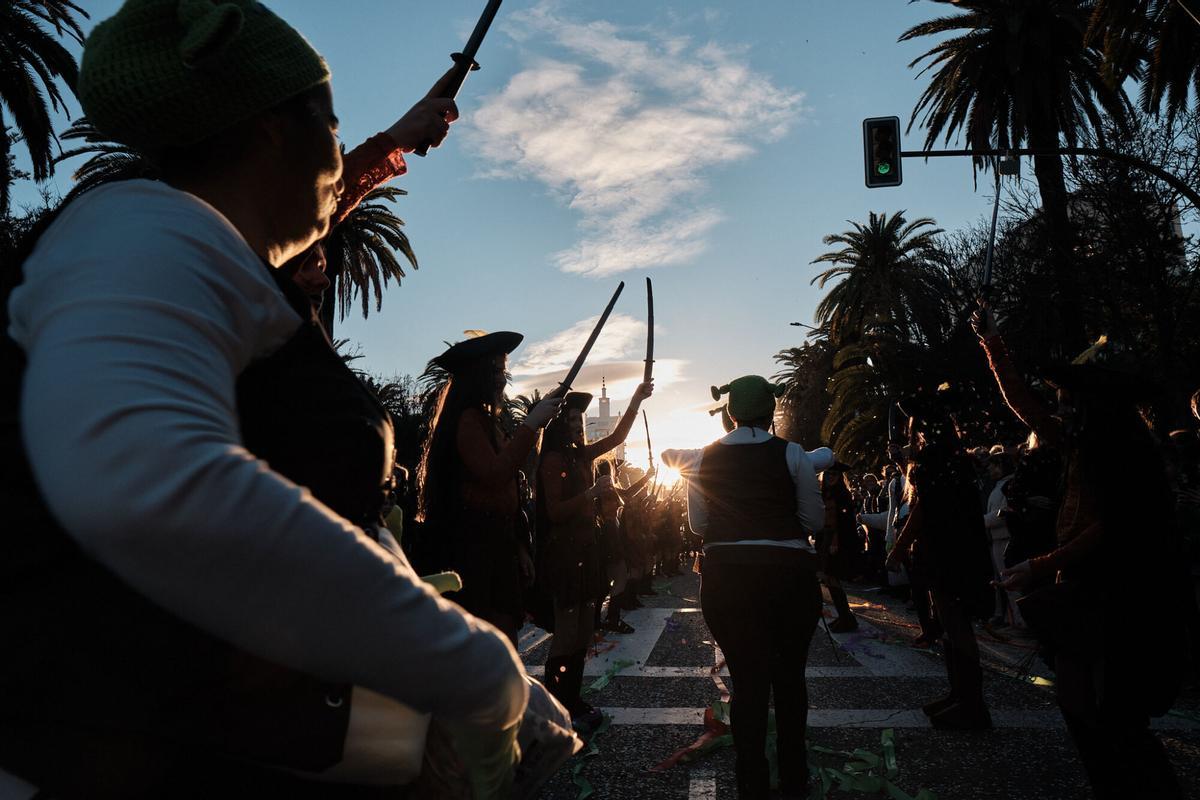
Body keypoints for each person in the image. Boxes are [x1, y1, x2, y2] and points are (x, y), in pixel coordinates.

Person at [0, 2, 527, 795]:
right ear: (278, 130)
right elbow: (142, 485)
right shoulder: (141, 235)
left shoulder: (189, 241)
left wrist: (395, 142)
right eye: (333, 122)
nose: (341, 150)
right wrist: (478, 670)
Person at [974, 305, 1185, 799]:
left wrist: (1041, 565)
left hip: (1121, 596)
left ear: (1098, 401)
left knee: (1118, 720)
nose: (1063, 407)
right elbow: (1028, 407)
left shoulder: (1124, 452)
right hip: (1087, 588)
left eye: (1072, 398)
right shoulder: (1083, 439)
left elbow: (1112, 529)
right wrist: (993, 346)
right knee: (1088, 711)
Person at [663, 376, 833, 800]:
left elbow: (699, 526)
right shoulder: (792, 453)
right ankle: (795, 776)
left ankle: (750, 781)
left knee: (748, 681)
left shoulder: (703, 457)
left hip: (728, 580)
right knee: (790, 679)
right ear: (770, 412)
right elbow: (814, 522)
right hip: (789, 578)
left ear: (730, 413)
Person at [416, 332, 564, 645]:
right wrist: (531, 425)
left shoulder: (486, 420)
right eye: (495, 371)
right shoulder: (468, 419)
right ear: (477, 375)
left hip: (498, 546)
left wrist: (519, 547)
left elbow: (509, 478)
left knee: (503, 636)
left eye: (503, 371)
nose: (502, 380)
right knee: (490, 642)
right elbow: (495, 474)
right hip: (475, 551)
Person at [537, 384, 653, 730]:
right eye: (572, 418)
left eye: (580, 419)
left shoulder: (582, 456)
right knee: (567, 632)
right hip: (565, 555)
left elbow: (617, 435)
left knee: (585, 630)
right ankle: (557, 703)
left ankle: (573, 697)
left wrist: (635, 400)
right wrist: (590, 493)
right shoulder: (553, 460)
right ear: (558, 424)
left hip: (588, 553)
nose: (578, 425)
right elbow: (554, 511)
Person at [887, 388, 995, 730]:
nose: (910, 431)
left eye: (914, 426)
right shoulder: (947, 458)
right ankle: (958, 694)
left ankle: (972, 704)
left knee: (957, 625)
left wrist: (899, 548)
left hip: (950, 552)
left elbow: (923, 510)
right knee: (948, 625)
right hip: (948, 549)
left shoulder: (937, 461)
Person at [983, 449, 1024, 628]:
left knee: (1010, 581)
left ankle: (1020, 620)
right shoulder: (999, 486)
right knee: (1002, 583)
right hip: (996, 538)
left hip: (1005, 537)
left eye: (993, 467)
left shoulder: (1010, 484)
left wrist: (981, 521)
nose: (990, 471)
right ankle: (1009, 618)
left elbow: (1003, 513)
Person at [819, 465, 859, 632]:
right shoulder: (822, 493)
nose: (830, 476)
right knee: (828, 579)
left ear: (839, 476)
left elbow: (841, 522)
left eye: (834, 473)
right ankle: (845, 616)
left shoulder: (842, 495)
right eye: (828, 473)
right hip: (824, 539)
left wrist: (835, 542)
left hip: (835, 540)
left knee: (832, 578)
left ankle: (846, 618)